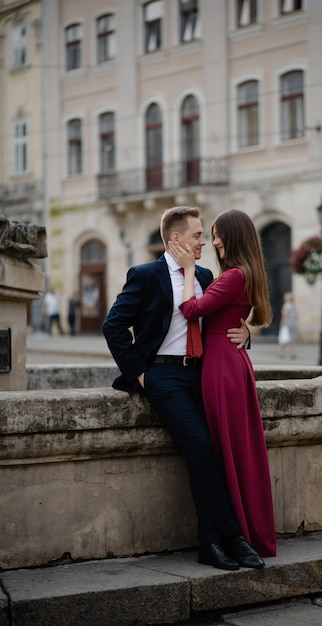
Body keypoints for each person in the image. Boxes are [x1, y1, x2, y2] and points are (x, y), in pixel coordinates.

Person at [103, 206, 266, 571]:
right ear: (176, 239)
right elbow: (113, 326)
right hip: (164, 377)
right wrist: (140, 375)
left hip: (203, 374)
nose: (204, 243)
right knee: (200, 444)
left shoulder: (206, 275)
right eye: (196, 236)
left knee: (213, 452)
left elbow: (224, 317)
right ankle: (233, 537)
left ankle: (210, 542)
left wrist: (246, 335)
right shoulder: (145, 275)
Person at [168, 209, 276, 558]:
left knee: (225, 449)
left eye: (218, 235)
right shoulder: (244, 274)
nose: (213, 242)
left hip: (221, 368)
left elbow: (190, 310)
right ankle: (239, 531)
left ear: (235, 237)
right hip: (231, 362)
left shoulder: (232, 276)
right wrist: (245, 334)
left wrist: (185, 270)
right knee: (235, 449)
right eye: (209, 234)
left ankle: (235, 533)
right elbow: (233, 317)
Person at [278, 292, 298, 359]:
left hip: (287, 324)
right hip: (293, 323)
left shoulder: (286, 305)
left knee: (283, 338)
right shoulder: (293, 305)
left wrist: (282, 323)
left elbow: (285, 315)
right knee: (293, 338)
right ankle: (293, 352)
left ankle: (282, 352)